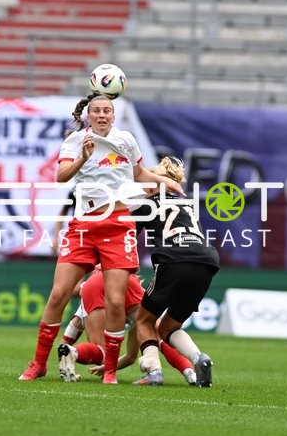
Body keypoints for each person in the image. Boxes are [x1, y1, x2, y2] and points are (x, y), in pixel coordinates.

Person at [18, 92, 184, 384]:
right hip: (84, 225)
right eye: (96, 110)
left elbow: (139, 172)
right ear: (88, 115)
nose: (102, 115)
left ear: (113, 115)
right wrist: (82, 157)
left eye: (107, 110)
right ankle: (38, 364)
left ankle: (109, 372)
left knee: (117, 302)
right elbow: (61, 177)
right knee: (58, 294)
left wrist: (163, 179)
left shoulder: (126, 140)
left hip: (117, 225)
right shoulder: (75, 141)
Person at [132, 156, 220, 387]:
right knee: (168, 327)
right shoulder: (188, 205)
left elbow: (126, 237)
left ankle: (153, 371)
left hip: (174, 260)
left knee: (144, 320)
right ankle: (199, 358)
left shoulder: (147, 204)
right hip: (206, 261)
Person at [56, 267, 197, 385]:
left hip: (93, 284)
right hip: (126, 281)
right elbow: (131, 356)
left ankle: (73, 352)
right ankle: (189, 372)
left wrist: (63, 349)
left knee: (103, 352)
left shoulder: (95, 281)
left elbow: (74, 325)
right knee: (160, 333)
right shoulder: (137, 311)